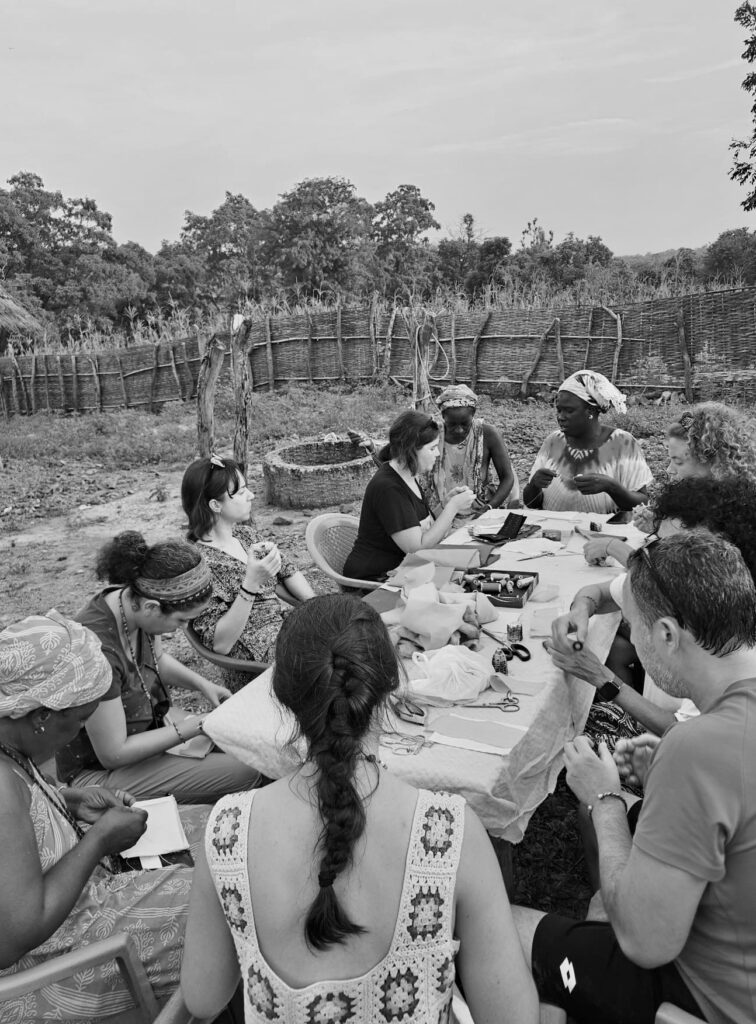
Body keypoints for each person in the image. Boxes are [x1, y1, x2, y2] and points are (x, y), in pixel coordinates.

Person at [180, 594, 538, 1024]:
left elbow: (203, 998)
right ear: (390, 687)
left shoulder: (227, 830)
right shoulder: (449, 831)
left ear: (282, 695)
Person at [514, 530, 756, 1024]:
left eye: (635, 629)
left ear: (666, 635)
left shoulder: (700, 749)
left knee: (495, 927)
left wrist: (602, 796)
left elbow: (646, 942)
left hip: (707, 999)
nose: (634, 642)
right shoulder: (717, 734)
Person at [0, 610, 198, 1021]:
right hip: (50, 963)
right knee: (224, 909)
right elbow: (14, 936)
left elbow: (19, 817)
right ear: (41, 716)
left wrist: (70, 800)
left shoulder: (9, 739)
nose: (79, 734)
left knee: (217, 857)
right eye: (80, 721)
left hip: (76, 910)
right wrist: (98, 841)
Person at [56, 531, 261, 803]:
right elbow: (114, 752)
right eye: (181, 621)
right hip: (98, 772)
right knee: (253, 771)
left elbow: (157, 660)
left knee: (253, 744)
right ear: (152, 607)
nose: (183, 628)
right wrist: (195, 726)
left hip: (146, 731)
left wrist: (203, 685)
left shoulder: (134, 601)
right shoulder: (97, 653)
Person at [181, 455, 316, 662]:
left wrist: (320, 608)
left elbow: (287, 570)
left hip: (287, 632)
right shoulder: (197, 565)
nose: (251, 496)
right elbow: (221, 644)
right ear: (216, 505)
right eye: (242, 492)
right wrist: (251, 584)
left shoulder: (246, 536)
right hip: (260, 658)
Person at [586, 400, 756, 562]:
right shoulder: (718, 502)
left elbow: (664, 578)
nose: (669, 470)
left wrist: (612, 547)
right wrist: (658, 525)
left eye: (678, 461)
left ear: (715, 464)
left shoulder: (726, 522)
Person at [343, 410, 475, 581]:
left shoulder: (408, 475)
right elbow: (417, 548)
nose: (437, 454)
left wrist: (444, 504)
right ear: (411, 450)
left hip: (403, 569)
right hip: (374, 578)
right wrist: (452, 507)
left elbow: (420, 524)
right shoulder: (389, 488)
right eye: (432, 448)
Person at [523, 370, 653, 515]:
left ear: (590, 410)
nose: (561, 417)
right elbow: (530, 503)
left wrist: (611, 487)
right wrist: (534, 485)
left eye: (569, 411)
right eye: (559, 410)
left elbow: (643, 503)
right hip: (552, 534)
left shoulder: (622, 443)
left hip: (605, 534)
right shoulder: (553, 441)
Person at [423, 383, 518, 514]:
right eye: (451, 424)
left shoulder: (487, 434)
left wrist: (489, 508)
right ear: (443, 416)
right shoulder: (433, 436)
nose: (459, 430)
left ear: (473, 414)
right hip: (439, 512)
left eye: (465, 424)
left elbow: (507, 477)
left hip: (478, 512)